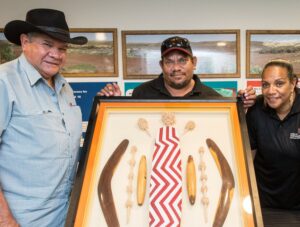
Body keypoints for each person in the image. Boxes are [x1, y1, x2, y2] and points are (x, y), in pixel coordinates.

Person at [0, 8, 88, 226]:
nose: (56, 54)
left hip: (66, 214)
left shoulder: (64, 87)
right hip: (22, 218)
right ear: (24, 42)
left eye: (62, 48)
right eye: (47, 45)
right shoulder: (4, 82)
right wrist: (5, 219)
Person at [98, 36, 256, 109]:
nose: (176, 68)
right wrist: (110, 105)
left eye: (182, 60)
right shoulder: (141, 93)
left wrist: (243, 108)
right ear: (161, 65)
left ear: (194, 62)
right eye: (169, 61)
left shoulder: (214, 99)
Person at [246, 60, 300, 209]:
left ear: (293, 83)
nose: (270, 91)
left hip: (296, 205)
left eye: (279, 83)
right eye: (265, 84)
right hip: (262, 202)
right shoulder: (255, 109)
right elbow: (248, 158)